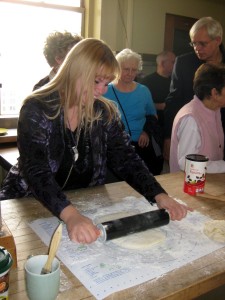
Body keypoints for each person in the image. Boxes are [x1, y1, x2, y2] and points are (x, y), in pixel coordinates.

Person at [0, 38, 192, 244]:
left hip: (82, 203)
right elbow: (36, 170)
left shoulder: (103, 111)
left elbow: (126, 158)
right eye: (95, 81)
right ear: (74, 70)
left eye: (106, 83)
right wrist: (71, 215)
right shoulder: (37, 108)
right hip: (28, 202)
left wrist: (159, 195)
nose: (102, 90)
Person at [164, 17, 225, 163]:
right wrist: (167, 136)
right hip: (193, 134)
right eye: (194, 43)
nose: (197, 48)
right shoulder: (184, 63)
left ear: (217, 40)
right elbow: (173, 100)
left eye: (202, 43)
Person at [104, 48, 164, 175]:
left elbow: (152, 116)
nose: (130, 73)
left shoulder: (144, 91)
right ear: (117, 68)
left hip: (141, 146)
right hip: (115, 148)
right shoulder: (105, 91)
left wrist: (146, 132)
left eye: (134, 70)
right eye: (126, 69)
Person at [170, 63, 225, 173]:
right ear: (214, 93)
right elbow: (187, 163)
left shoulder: (214, 108)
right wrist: (222, 166)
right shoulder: (191, 119)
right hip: (188, 186)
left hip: (209, 182)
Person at [141, 51, 176, 129]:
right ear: (163, 63)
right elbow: (140, 105)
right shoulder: (147, 82)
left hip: (172, 125)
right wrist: (160, 106)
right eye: (173, 62)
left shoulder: (176, 81)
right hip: (154, 127)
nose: (175, 65)